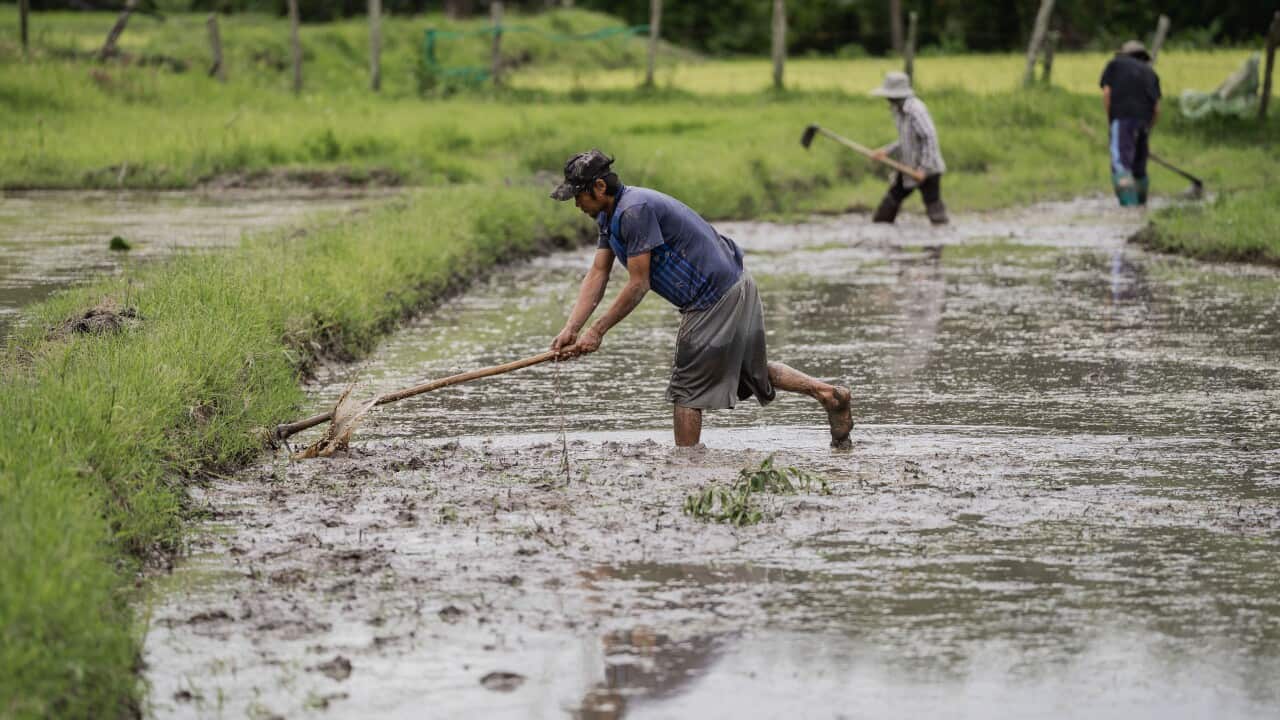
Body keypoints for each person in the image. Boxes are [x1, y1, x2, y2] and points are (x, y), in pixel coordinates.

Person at [547, 150, 854, 449]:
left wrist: (597, 331)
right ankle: (829, 394)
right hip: (733, 284)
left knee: (686, 391)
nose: (576, 204)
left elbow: (639, 284)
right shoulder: (609, 215)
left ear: (599, 187)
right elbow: (599, 271)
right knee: (749, 370)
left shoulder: (633, 211)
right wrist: (572, 328)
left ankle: (687, 469)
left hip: (712, 296)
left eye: (578, 196)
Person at [868, 71, 948, 225]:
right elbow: (907, 140)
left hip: (928, 169)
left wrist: (923, 169)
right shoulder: (899, 111)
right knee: (888, 206)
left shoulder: (916, 110)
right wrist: (886, 151)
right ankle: (881, 235)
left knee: (934, 209)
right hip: (908, 167)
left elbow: (929, 139)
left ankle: (942, 239)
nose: (887, 99)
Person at [1099, 40, 1162, 206]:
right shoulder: (1150, 72)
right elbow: (1156, 109)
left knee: (1121, 164)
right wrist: (1147, 129)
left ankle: (1129, 209)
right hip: (1144, 121)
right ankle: (1141, 205)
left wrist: (1112, 121)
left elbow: (1107, 94)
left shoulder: (1115, 65)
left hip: (1123, 117)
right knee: (1139, 167)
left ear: (1124, 54)